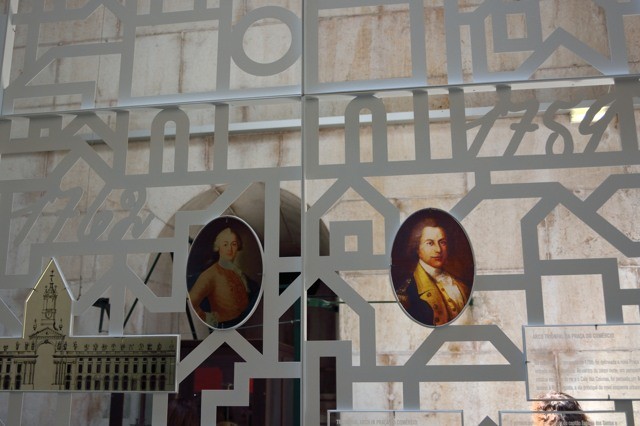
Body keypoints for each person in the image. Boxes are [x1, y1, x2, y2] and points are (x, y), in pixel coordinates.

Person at [395, 217, 471, 326]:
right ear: (417, 248)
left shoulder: (461, 286)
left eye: (442, 242)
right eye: (430, 243)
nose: (438, 250)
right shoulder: (407, 293)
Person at [188, 227, 256, 328]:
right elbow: (192, 300)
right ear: (218, 247)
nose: (230, 249)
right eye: (225, 244)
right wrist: (210, 319)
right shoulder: (210, 274)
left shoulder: (238, 272)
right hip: (224, 327)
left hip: (246, 325)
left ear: (238, 247)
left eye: (233, 244)